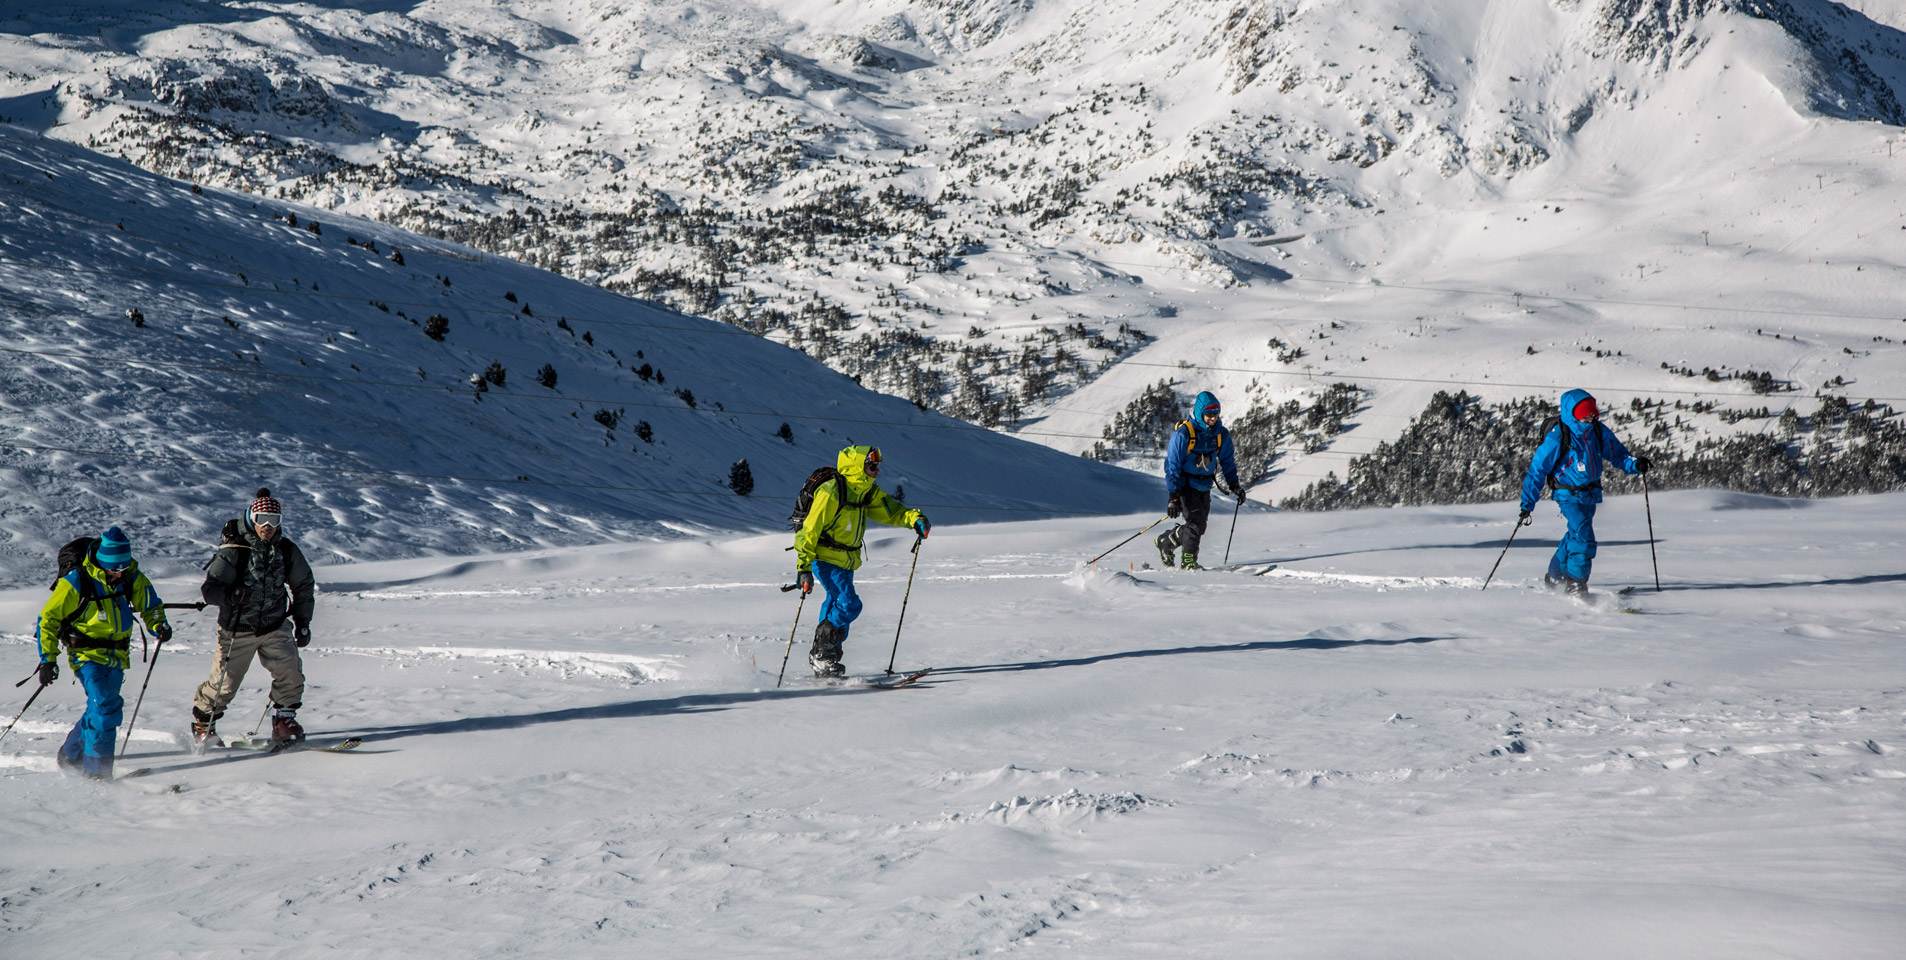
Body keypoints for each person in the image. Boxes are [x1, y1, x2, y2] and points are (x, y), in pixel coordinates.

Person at [35, 526, 171, 779]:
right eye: (115, 568)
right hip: (85, 654)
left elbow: (150, 604)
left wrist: (158, 625)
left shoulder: (131, 576)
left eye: (124, 566)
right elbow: (47, 620)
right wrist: (48, 660)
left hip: (117, 655)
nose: (119, 573)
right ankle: (97, 773)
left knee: (98, 708)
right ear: (102, 562)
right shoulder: (77, 582)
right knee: (106, 708)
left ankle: (70, 754)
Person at [190, 488, 317, 748]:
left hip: (274, 624)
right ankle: (204, 724)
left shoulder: (286, 550)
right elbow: (210, 589)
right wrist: (231, 595)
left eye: (274, 520)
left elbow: (303, 584)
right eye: (262, 520)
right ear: (251, 517)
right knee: (224, 684)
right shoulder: (235, 550)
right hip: (238, 628)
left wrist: (303, 622)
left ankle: (284, 720)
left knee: (290, 673)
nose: (268, 527)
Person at [793, 446, 928, 677]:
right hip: (824, 557)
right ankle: (822, 651)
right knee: (849, 605)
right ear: (857, 467)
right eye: (872, 466)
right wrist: (803, 567)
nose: (876, 471)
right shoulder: (832, 491)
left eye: (877, 466)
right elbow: (809, 531)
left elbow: (892, 511)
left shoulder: (866, 492)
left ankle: (825, 658)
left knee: (836, 603)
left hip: (846, 560)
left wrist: (914, 519)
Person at [1518, 389, 1651, 595]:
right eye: (1585, 414)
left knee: (1575, 534)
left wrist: (1635, 464)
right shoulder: (1558, 437)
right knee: (1584, 537)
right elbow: (1537, 470)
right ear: (1574, 414)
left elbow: (1618, 455)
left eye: (1593, 413)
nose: (1591, 417)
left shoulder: (1598, 431)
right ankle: (1576, 583)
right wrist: (1527, 504)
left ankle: (1555, 576)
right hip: (1567, 494)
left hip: (1590, 493)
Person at [1156, 391, 1246, 570]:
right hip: (1184, 484)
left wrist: (1234, 485)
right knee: (1195, 525)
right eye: (1209, 415)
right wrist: (1174, 496)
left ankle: (1166, 541)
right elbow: (1173, 466)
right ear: (1199, 412)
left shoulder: (1220, 435)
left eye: (1215, 415)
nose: (1212, 418)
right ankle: (1189, 562)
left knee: (1199, 527)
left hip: (1204, 485)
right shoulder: (1183, 434)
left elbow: (1227, 461)